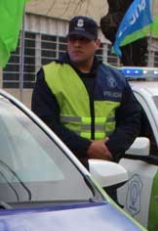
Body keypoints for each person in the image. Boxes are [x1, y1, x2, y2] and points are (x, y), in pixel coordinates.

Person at [32, 16, 141, 166]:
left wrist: (109, 148)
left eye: (83, 39)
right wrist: (87, 148)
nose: (77, 44)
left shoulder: (115, 78)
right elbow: (44, 123)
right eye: (72, 39)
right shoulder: (49, 75)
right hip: (65, 165)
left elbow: (132, 120)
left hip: (107, 164)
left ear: (97, 44)